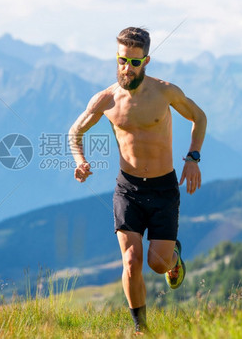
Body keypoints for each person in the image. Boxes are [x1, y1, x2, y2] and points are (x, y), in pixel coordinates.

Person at [68, 27, 207, 334]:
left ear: (146, 60)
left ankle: (173, 259)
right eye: (121, 60)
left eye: (133, 62)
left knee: (157, 264)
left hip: (163, 188)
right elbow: (74, 133)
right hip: (127, 189)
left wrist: (193, 157)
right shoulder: (105, 100)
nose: (125, 68)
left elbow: (199, 117)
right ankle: (141, 329)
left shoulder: (166, 92)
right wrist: (80, 162)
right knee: (131, 261)